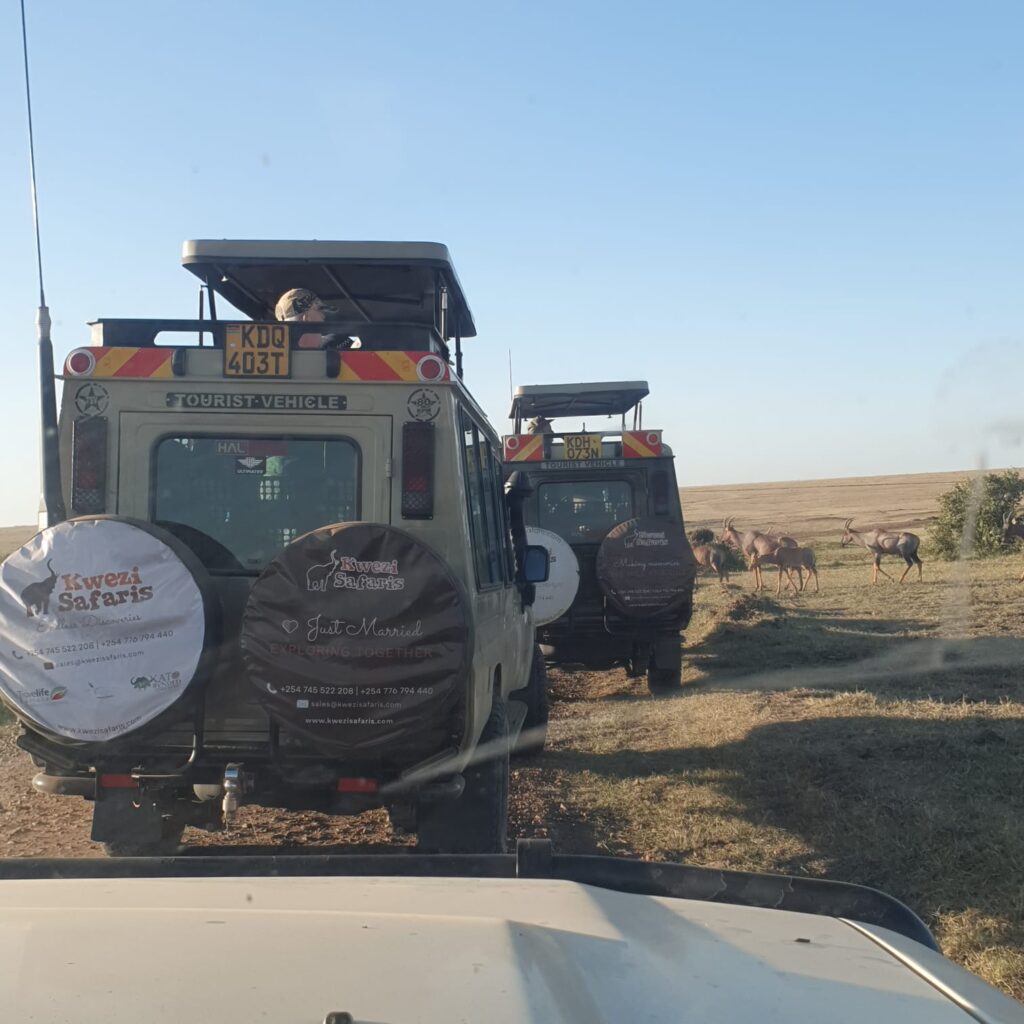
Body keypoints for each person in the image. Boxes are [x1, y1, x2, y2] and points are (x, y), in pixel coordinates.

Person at [274, 288, 356, 349]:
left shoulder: (274, 354)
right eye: (320, 310)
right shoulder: (336, 344)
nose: (323, 316)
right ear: (306, 317)